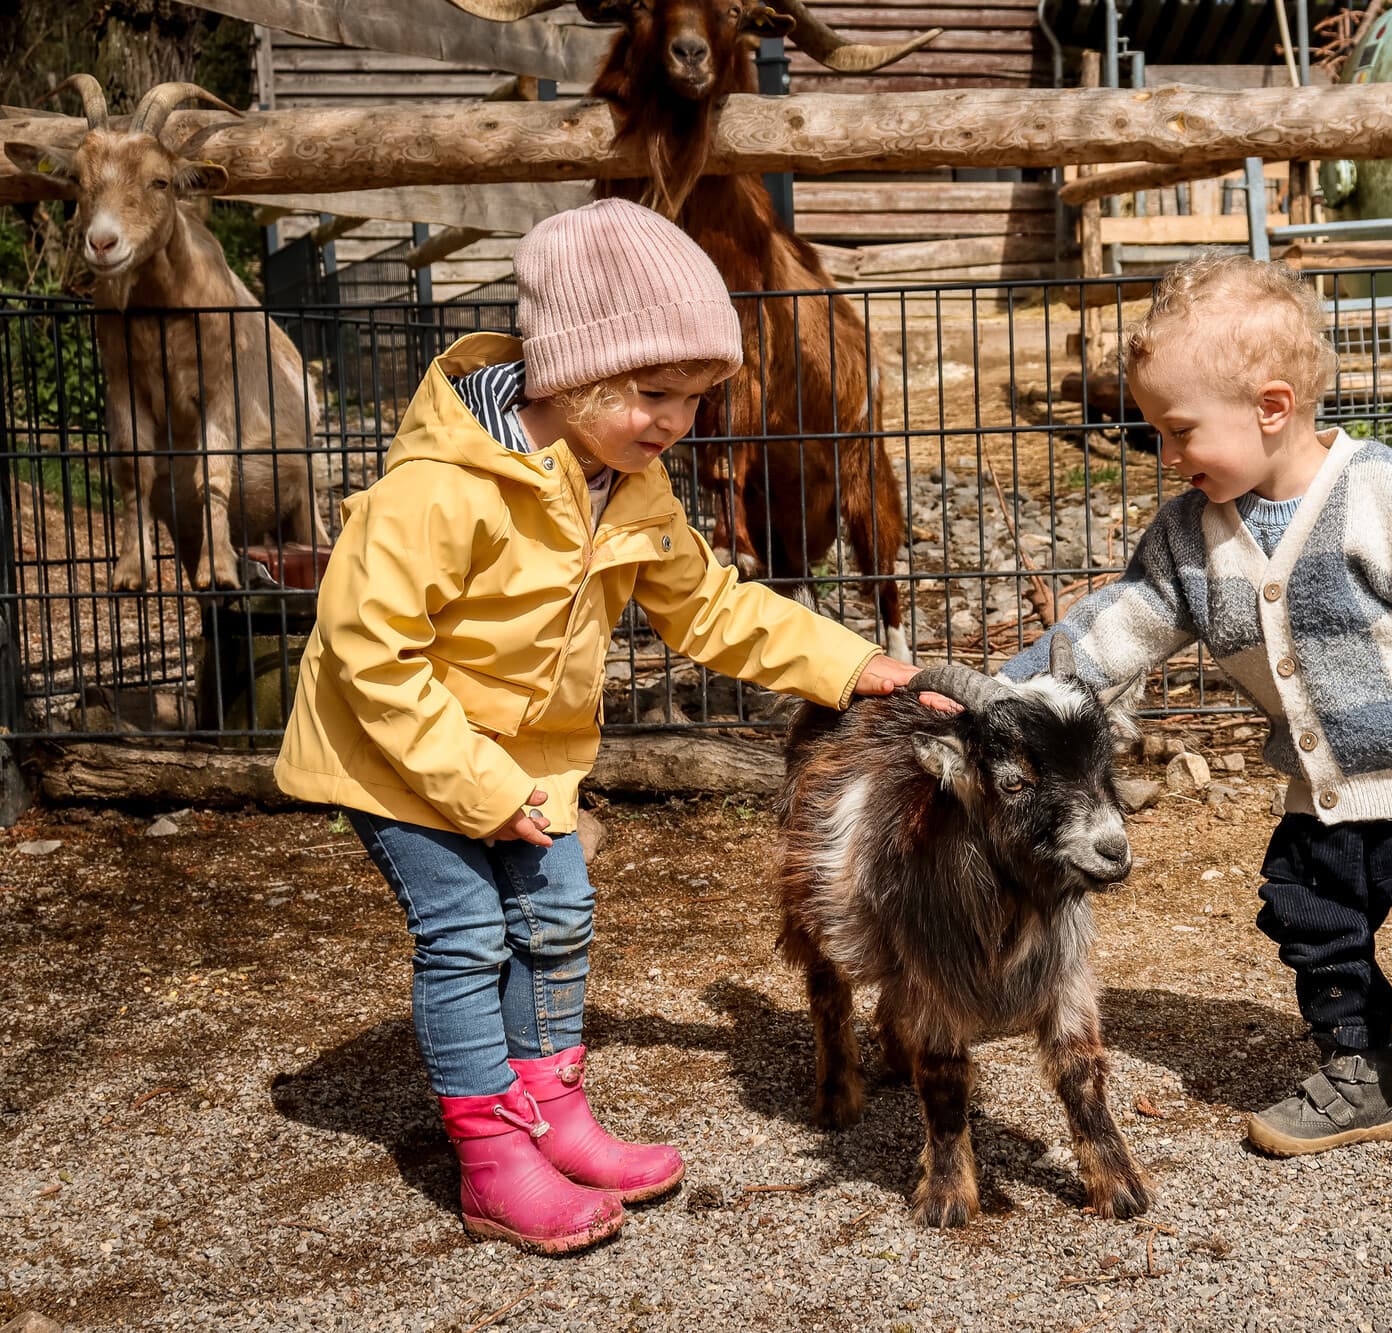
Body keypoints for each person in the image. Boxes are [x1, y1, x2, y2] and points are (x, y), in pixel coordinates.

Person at [275, 198, 928, 1253]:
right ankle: (490, 1157)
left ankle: (553, 1111)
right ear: (573, 369)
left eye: (694, 398)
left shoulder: (625, 481)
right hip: (395, 753)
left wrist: (855, 666)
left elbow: (708, 606)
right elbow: (370, 659)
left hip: (519, 761)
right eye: (655, 393)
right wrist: (481, 791)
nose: (677, 421)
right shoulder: (435, 491)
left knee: (559, 913)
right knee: (468, 935)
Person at [1001, 254, 1392, 1209]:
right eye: (1157, 433)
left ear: (1271, 405)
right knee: (1312, 922)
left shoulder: (1384, 498)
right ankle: (1363, 1071)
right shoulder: (1190, 533)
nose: (1168, 456)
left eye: (1180, 432)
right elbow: (1119, 627)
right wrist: (1002, 696)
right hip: (1324, 791)